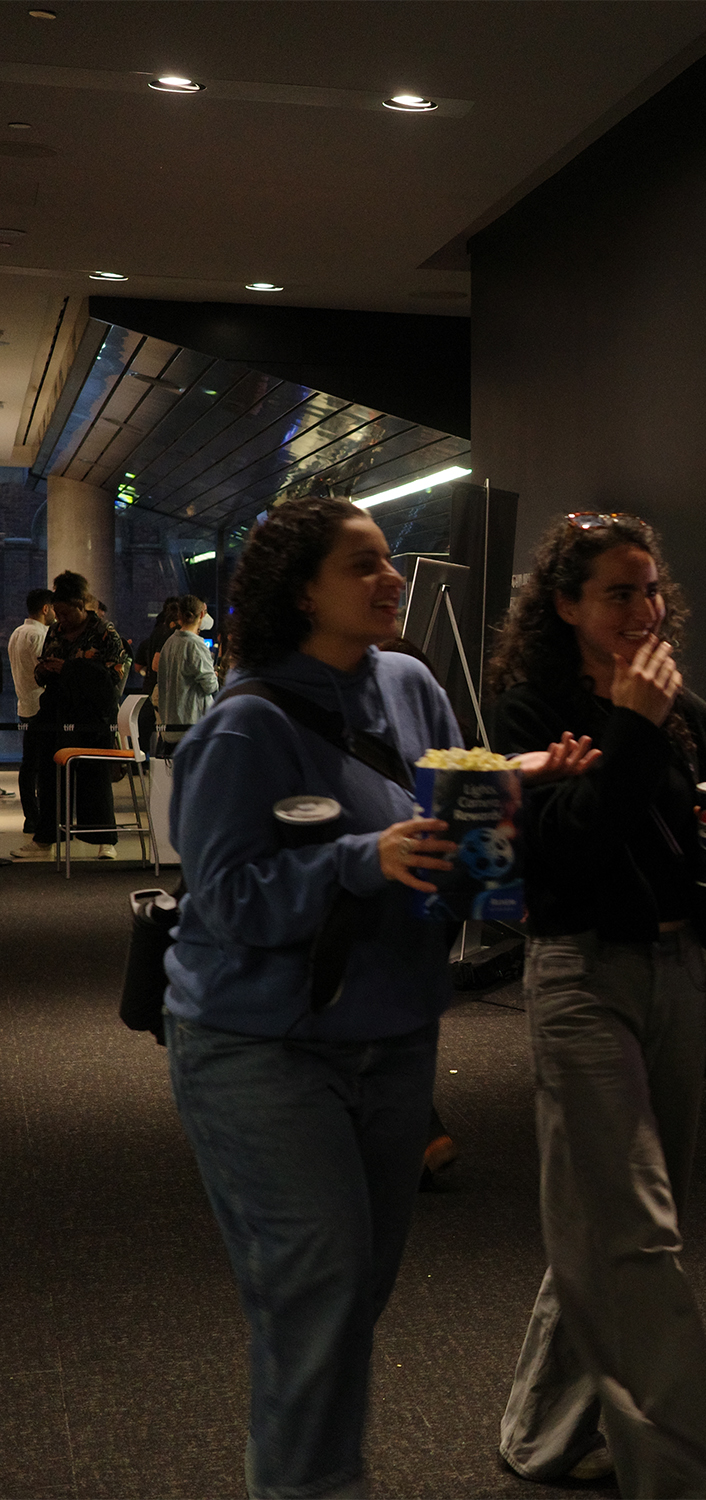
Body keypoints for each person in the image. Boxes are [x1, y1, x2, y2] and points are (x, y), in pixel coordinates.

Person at [162, 494, 595, 1498]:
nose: (390, 576)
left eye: (385, 559)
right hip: (261, 1049)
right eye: (361, 565)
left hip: (394, 1036)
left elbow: (444, 818)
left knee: (353, 1292)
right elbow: (225, 899)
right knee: (315, 1298)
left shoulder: (408, 683)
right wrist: (361, 859)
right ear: (299, 591)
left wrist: (504, 815)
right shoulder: (244, 727)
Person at [488, 512, 706, 1496]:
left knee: (620, 1223)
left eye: (649, 589)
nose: (642, 610)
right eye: (617, 592)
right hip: (579, 976)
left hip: (676, 970)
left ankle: (538, 1432)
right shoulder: (530, 709)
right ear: (565, 605)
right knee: (634, 1229)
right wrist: (631, 728)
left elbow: (679, 862)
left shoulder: (685, 706)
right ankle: (687, 1473)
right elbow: (566, 856)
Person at [16, 571, 130, 860]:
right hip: (56, 713)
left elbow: (111, 681)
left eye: (66, 613)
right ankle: (45, 838)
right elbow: (41, 670)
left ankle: (105, 840)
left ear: (82, 605)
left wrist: (68, 668)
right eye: (57, 613)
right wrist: (45, 670)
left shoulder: (105, 633)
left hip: (92, 717)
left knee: (95, 777)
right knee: (49, 776)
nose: (61, 619)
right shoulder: (54, 632)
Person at [8, 588, 54, 842]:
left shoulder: (16, 633)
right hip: (41, 706)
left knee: (29, 765)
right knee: (43, 766)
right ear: (46, 608)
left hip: (24, 705)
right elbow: (45, 671)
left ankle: (31, 817)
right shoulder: (40, 635)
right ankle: (41, 817)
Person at [155, 593, 219, 732]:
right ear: (202, 614)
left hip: (170, 724)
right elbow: (210, 686)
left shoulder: (169, 643)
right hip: (192, 725)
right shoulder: (195, 645)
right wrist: (214, 676)